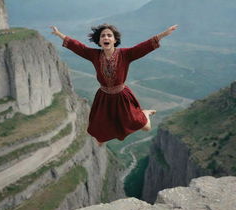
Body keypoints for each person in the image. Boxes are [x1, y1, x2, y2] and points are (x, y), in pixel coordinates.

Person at [50, 24, 178, 146]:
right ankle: (102, 138)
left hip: (122, 97)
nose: (106, 37)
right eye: (103, 36)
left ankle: (145, 113)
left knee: (146, 127)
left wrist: (164, 34)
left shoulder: (126, 54)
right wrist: (59, 34)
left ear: (115, 40)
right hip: (104, 97)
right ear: (99, 41)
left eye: (109, 35)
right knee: (99, 132)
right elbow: (77, 46)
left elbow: (144, 46)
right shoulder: (94, 55)